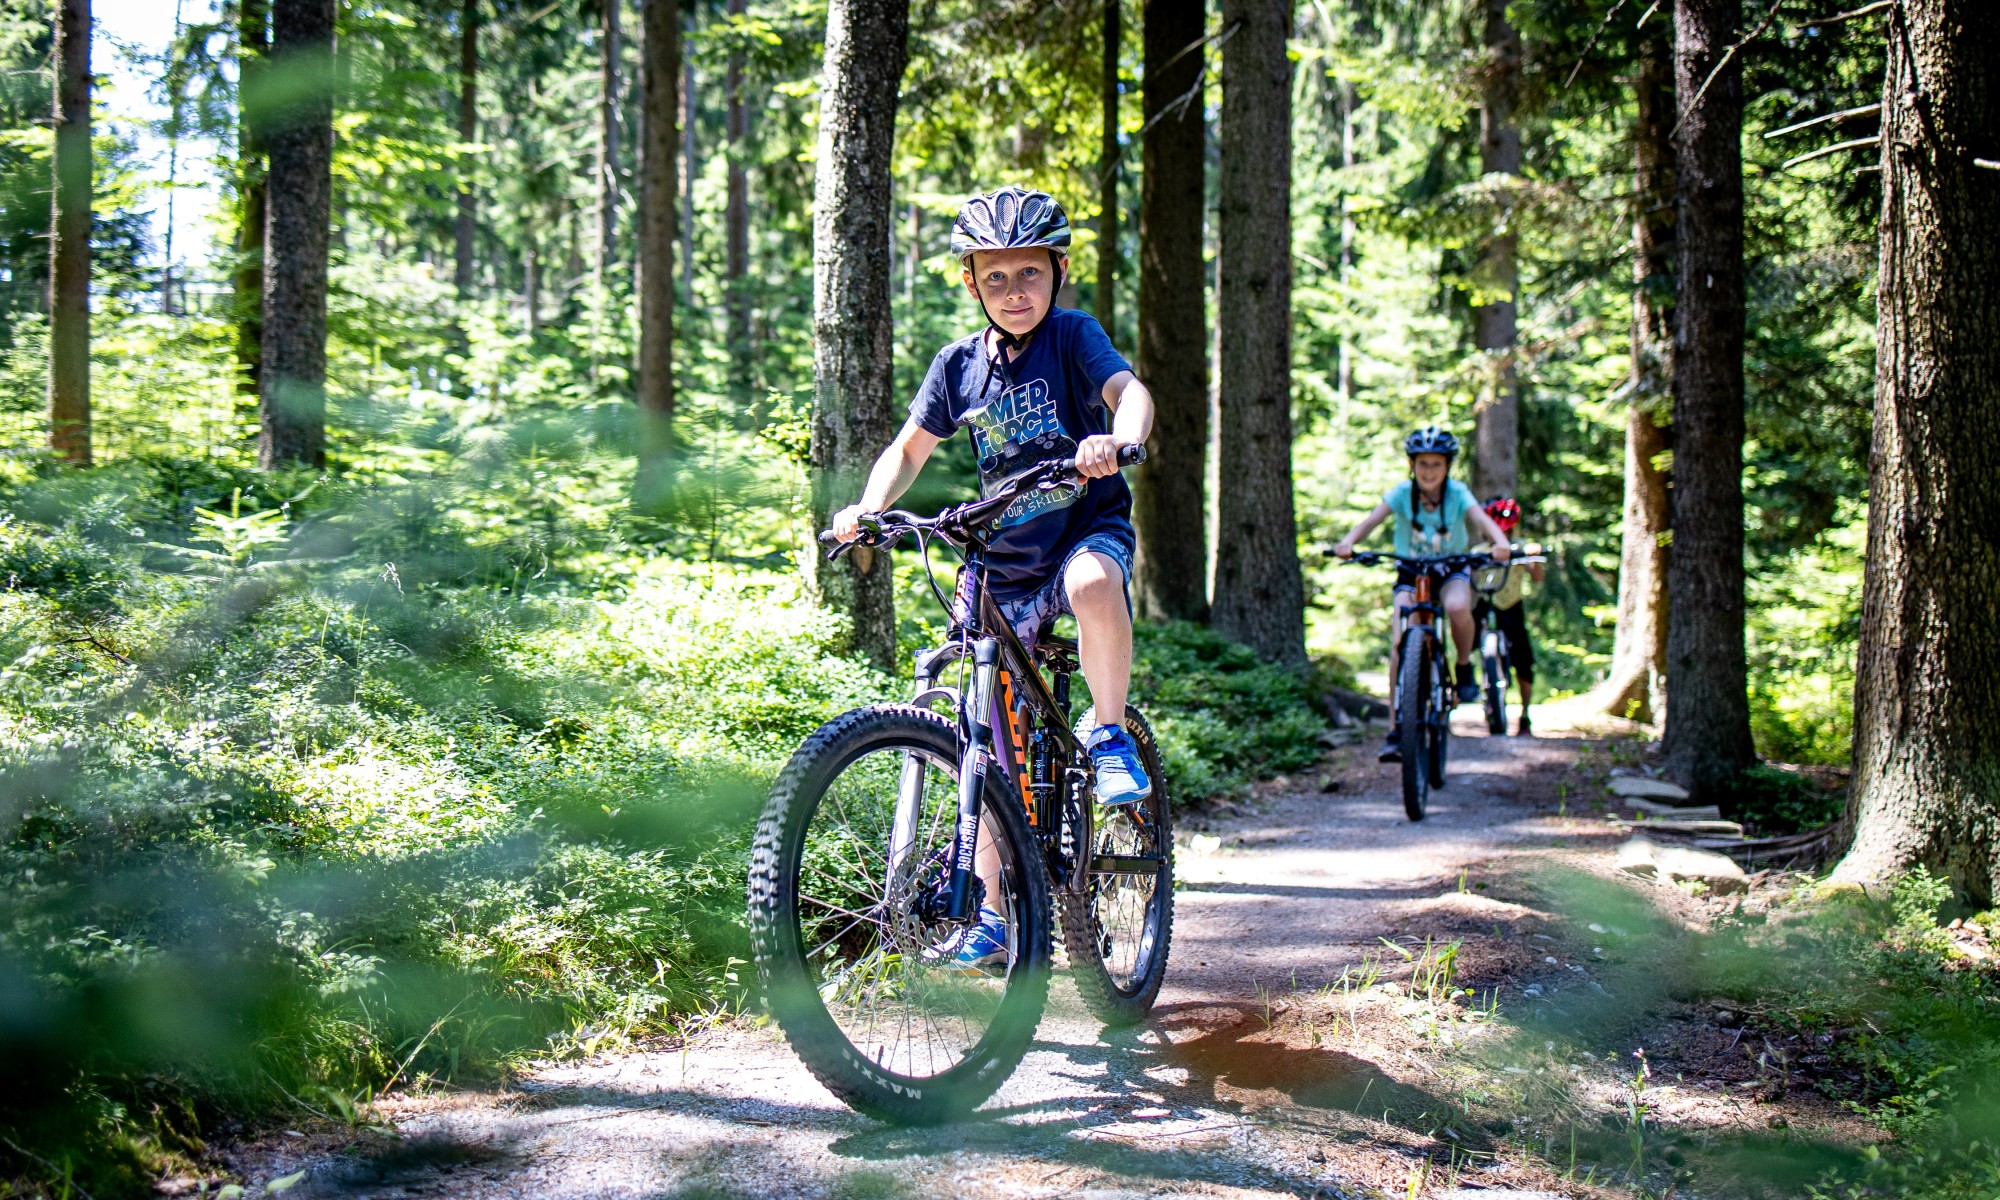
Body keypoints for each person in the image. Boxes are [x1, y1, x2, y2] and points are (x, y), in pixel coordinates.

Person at [829, 185, 1156, 968]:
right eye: (996, 277)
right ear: (971, 282)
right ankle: (989, 912)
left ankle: (1108, 734)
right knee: (983, 735)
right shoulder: (957, 368)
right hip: (1000, 558)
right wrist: (867, 508)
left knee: (1089, 587)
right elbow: (909, 449)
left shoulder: (1074, 338)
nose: (1015, 292)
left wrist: (1120, 439)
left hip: (1083, 526)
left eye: (1030, 275)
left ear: (1059, 271)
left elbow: (1129, 391)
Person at [1330, 426, 1511, 763]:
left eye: (1436, 465)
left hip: (1451, 568)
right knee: (1401, 640)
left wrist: (1500, 543)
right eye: (1423, 464)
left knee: (1458, 607)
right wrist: (1349, 543)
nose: (1429, 471)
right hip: (1411, 572)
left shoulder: (1458, 493)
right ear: (1412, 465)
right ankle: (1397, 728)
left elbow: (1483, 521)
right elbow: (1371, 520)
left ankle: (1462, 666)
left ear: (1448, 467)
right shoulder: (1401, 493)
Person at [1475, 496, 1544, 737]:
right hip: (1486, 604)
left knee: (1524, 660)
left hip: (1513, 607)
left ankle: (1525, 715)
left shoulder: (1521, 546)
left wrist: (1533, 559)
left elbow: (1537, 577)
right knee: (1467, 641)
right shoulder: (1479, 551)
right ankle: (1465, 691)